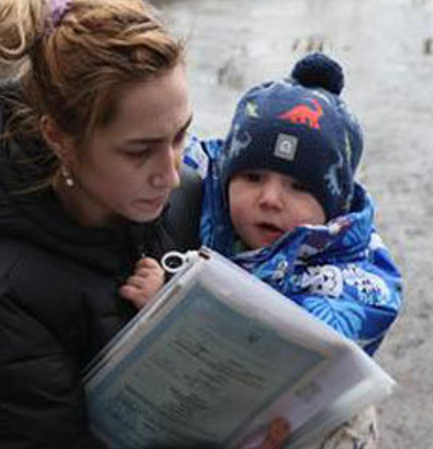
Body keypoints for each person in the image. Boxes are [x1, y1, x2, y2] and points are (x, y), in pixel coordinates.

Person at [0, 0, 292, 449]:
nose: (170, 174)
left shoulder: (189, 198)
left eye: (179, 136)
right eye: (138, 151)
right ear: (59, 137)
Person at [149, 52, 403, 449]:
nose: (269, 199)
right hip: (199, 414)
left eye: (299, 187)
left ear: (333, 206)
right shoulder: (194, 204)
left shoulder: (352, 278)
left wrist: (168, 305)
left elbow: (274, 353)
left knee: (353, 418)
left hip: (293, 426)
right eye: (252, 177)